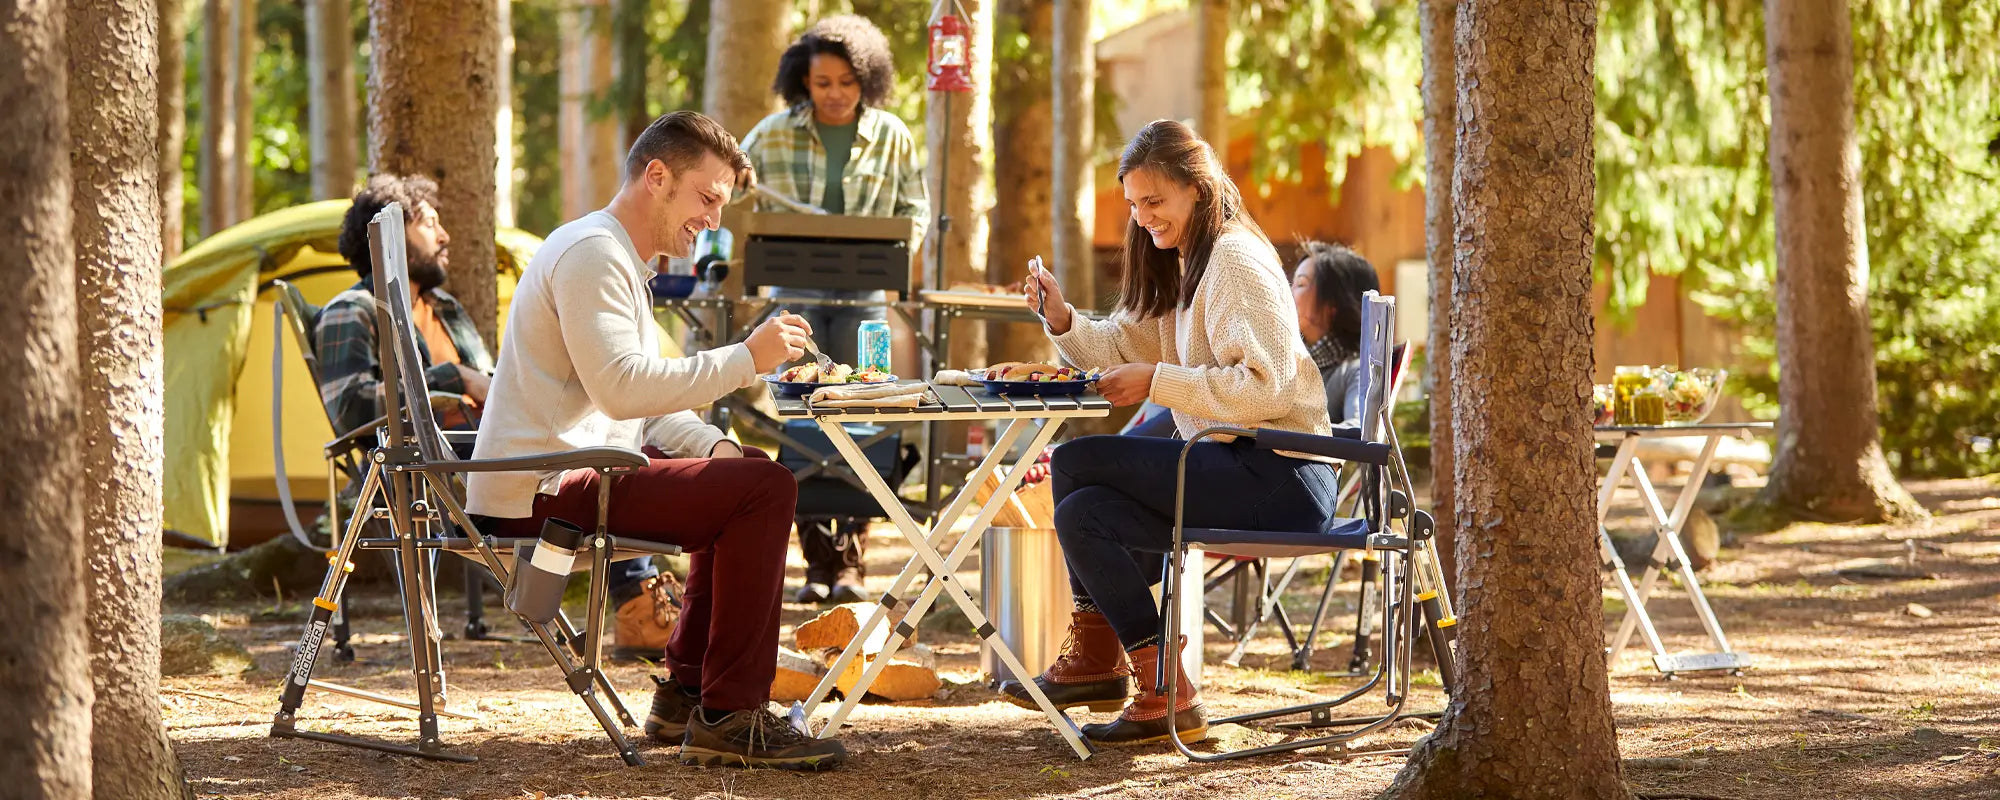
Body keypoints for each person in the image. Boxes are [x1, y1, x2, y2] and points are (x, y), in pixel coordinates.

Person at [464, 111, 847, 770]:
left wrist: (712, 446)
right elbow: (622, 389)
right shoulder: (593, 254)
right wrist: (745, 358)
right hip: (544, 487)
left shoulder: (615, 257)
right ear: (657, 176)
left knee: (747, 472)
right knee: (766, 488)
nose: (715, 221)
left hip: (572, 473)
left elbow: (644, 404)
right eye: (707, 198)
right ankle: (730, 715)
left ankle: (687, 693)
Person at [999, 120, 1339, 747]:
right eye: (1133, 204)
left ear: (1199, 189)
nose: (1143, 217)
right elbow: (1123, 342)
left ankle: (1105, 666)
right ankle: (1163, 690)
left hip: (1286, 472)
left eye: (1154, 202)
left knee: (1075, 464)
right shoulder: (1188, 259)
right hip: (1236, 465)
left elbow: (1265, 386)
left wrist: (1157, 381)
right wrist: (1062, 316)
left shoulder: (1233, 260)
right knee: (1084, 512)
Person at [323, 176, 681, 664]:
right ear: (390, 238)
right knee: (591, 461)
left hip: (488, 443)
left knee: (615, 438)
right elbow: (350, 406)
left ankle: (640, 605)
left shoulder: (444, 309)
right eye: (429, 223)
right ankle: (638, 602)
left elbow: (500, 383)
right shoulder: (353, 310)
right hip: (434, 458)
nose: (445, 235)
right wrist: (457, 377)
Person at [740, 14, 928, 605]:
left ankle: (850, 563)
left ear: (867, 79)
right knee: (801, 420)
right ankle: (814, 563)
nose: (835, 94)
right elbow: (729, 180)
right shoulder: (771, 133)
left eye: (847, 82)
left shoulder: (893, 134)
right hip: (796, 298)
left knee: (860, 415)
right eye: (823, 83)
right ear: (804, 81)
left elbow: (914, 210)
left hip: (866, 298)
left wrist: (898, 254)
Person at [1291, 240, 1380, 431]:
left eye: (1300, 284)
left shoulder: (1355, 370)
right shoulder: (1289, 359)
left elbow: (1359, 430)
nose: (1289, 293)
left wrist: (1289, 432)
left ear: (1333, 303)